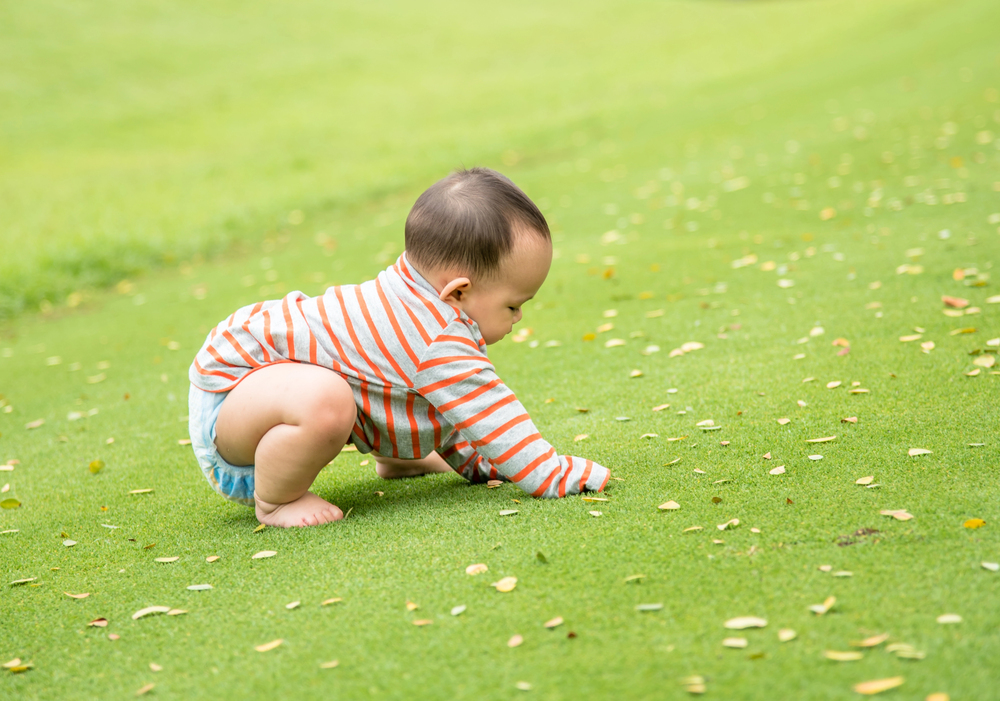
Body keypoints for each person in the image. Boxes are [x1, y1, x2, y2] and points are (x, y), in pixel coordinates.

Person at [187, 167, 609, 527]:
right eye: (513, 305)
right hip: (232, 405)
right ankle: (276, 500)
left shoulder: (420, 293)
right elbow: (490, 412)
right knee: (326, 400)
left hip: (261, 392)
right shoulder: (434, 337)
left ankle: (401, 459)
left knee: (373, 386)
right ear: (458, 291)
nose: (518, 318)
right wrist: (551, 473)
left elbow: (441, 403)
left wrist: (478, 463)